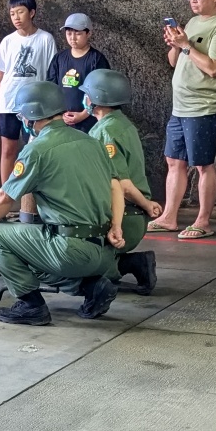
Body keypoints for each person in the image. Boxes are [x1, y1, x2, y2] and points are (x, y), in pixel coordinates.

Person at [0, 81, 125, 326]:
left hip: (70, 251)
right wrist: (116, 226)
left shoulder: (37, 150)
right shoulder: (91, 141)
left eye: (23, 115)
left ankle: (30, 305)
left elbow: (4, 197)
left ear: (32, 116)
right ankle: (91, 286)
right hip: (105, 251)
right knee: (30, 248)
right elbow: (115, 186)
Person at [147, 0, 216, 240]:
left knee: (203, 165)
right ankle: (169, 217)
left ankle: (203, 220)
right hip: (180, 107)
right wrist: (175, 45)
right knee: (174, 161)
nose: (194, 1)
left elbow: (213, 68)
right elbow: (174, 62)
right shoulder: (194, 21)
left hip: (205, 107)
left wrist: (185, 45)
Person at [81, 69, 162, 294]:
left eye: (86, 93)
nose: (84, 98)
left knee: (72, 264)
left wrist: (147, 205)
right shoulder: (123, 124)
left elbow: (121, 184)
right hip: (132, 216)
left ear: (95, 99)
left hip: (124, 218)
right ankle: (133, 263)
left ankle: (127, 265)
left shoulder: (106, 132)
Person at [0, 0, 57, 223]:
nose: (16, 17)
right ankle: (7, 198)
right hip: (8, 103)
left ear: (32, 12)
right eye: (12, 14)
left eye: (20, 12)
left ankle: (35, 200)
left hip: (35, 106)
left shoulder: (46, 39)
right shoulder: (8, 41)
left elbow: (51, 75)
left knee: (36, 152)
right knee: (8, 151)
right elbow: (0, 77)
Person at [48, 13, 110, 133]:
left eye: (78, 33)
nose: (72, 38)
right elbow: (51, 87)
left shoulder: (97, 59)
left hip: (89, 122)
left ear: (89, 33)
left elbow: (101, 93)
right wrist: (59, 115)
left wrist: (83, 115)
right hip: (62, 122)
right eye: (69, 33)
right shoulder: (59, 58)